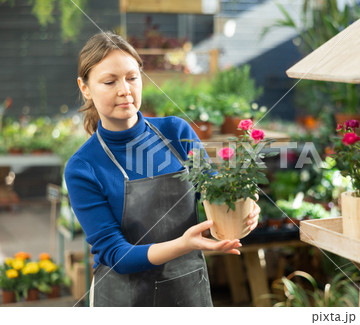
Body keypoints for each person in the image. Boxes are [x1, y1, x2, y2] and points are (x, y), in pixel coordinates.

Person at [65, 32, 260, 307]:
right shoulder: (83, 167)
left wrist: (244, 206)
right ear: (85, 88)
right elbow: (116, 254)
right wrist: (185, 243)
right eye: (110, 81)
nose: (125, 90)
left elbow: (214, 187)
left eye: (132, 77)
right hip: (125, 301)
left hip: (188, 291)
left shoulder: (175, 131)